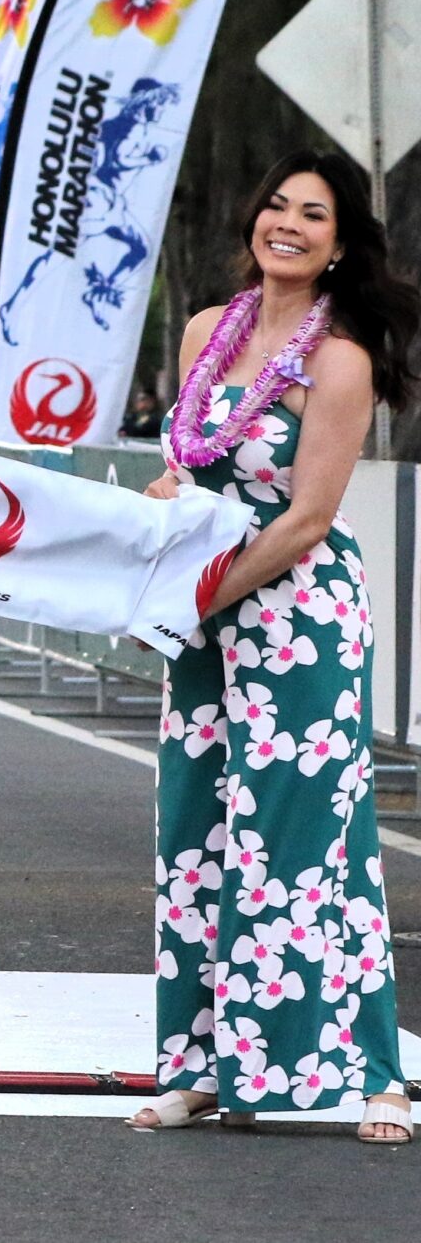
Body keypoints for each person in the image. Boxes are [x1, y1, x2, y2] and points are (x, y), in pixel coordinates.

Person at [132, 150, 408, 1145]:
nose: (286, 225)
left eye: (314, 215)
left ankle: (374, 1073)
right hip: (204, 621)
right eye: (276, 207)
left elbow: (304, 521)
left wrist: (200, 595)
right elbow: (190, 471)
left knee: (305, 841)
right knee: (193, 831)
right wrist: (165, 509)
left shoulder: (341, 362)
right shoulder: (209, 331)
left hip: (296, 621)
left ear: (339, 246)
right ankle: (199, 1064)